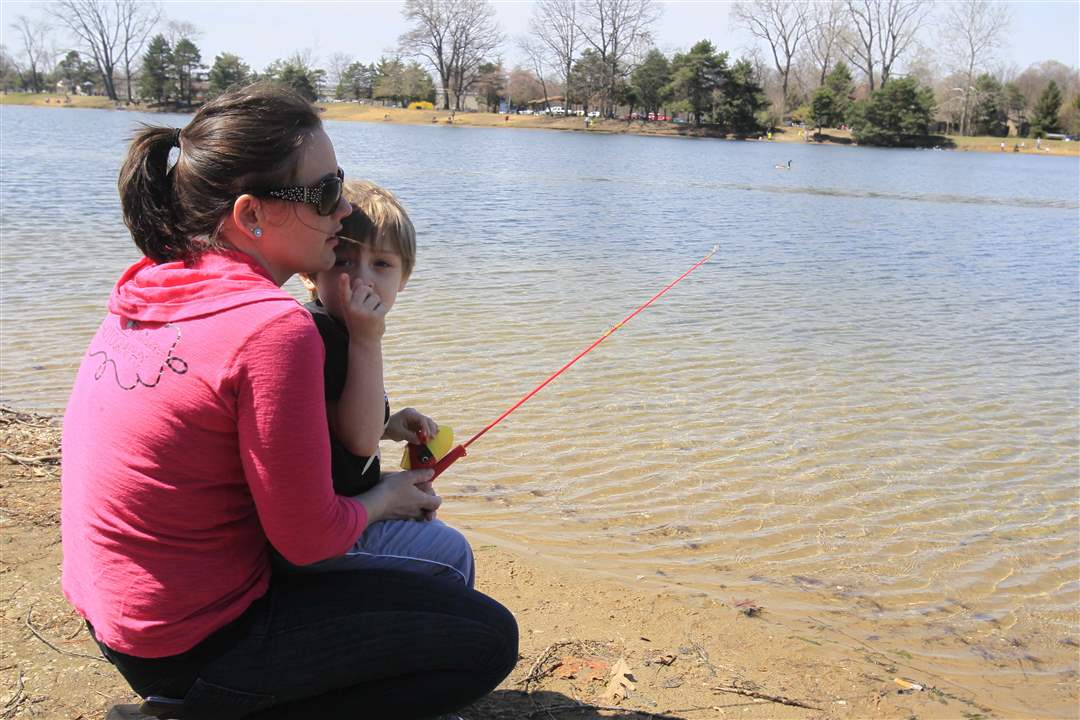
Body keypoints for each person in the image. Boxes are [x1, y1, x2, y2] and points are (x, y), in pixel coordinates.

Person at [61, 82, 517, 719]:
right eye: (326, 192)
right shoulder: (274, 327)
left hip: (118, 619)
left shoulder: (153, 280)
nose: (341, 212)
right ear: (251, 216)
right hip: (194, 641)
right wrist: (386, 496)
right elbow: (308, 541)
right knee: (486, 638)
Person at [294, 180, 473, 585]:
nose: (362, 280)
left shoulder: (332, 331)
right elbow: (358, 441)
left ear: (404, 279)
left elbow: (336, 423)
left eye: (382, 265)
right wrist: (367, 339)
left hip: (340, 505)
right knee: (451, 550)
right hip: (321, 535)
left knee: (424, 513)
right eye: (343, 262)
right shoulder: (321, 336)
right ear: (310, 274)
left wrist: (390, 425)